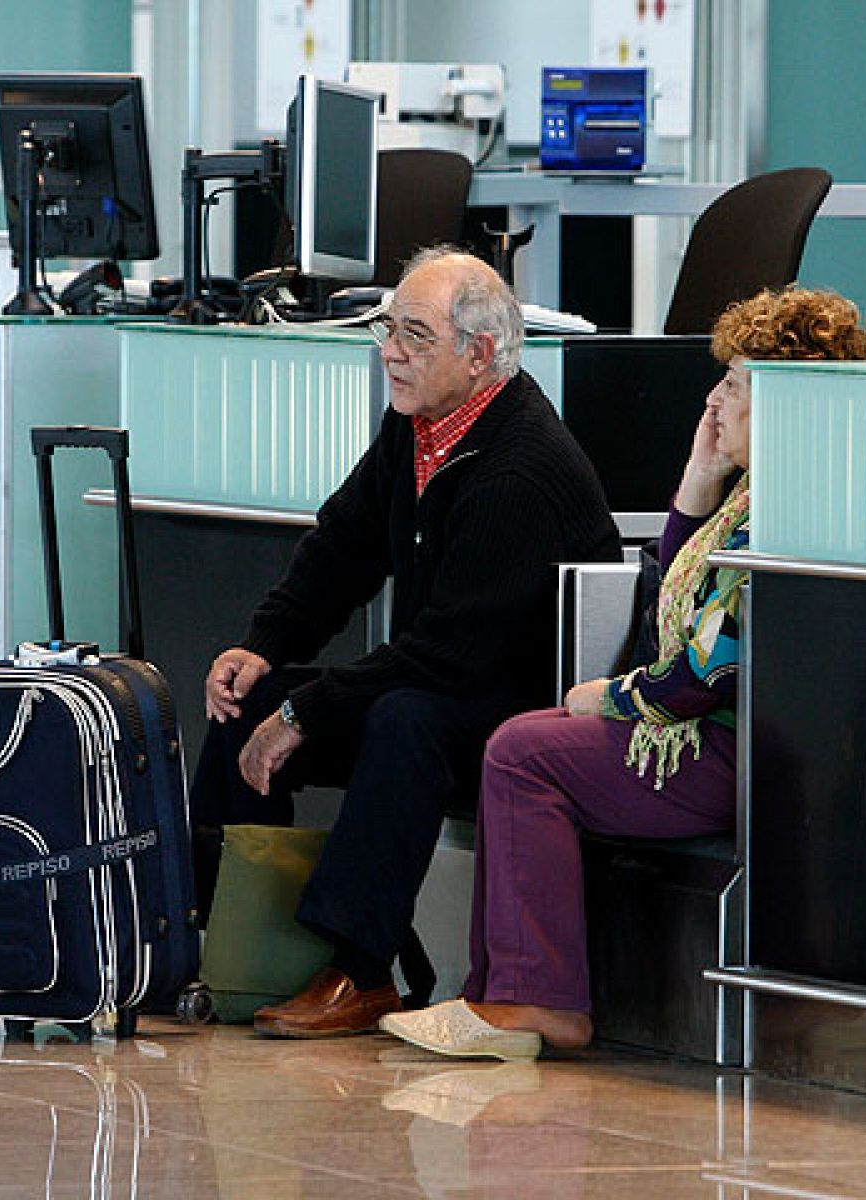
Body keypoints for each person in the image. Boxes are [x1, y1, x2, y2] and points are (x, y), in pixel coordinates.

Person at [379, 286, 866, 1060]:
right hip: (730, 738)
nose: (714, 398)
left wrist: (612, 698)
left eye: (736, 386)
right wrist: (696, 478)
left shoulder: (790, 512)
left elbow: (714, 671)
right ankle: (501, 991)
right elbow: (665, 605)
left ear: (787, 403)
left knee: (524, 752)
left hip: (744, 750)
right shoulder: (748, 498)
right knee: (525, 740)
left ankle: (533, 1001)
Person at [190, 247, 622, 1039]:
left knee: (402, 723)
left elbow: (452, 651)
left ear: (478, 353)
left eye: (415, 335)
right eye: (390, 328)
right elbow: (342, 546)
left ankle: (359, 970)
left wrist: (306, 711)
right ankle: (216, 941)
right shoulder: (415, 429)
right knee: (247, 700)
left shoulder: (520, 465)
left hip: (515, 699)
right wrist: (264, 645)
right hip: (436, 673)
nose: (389, 350)